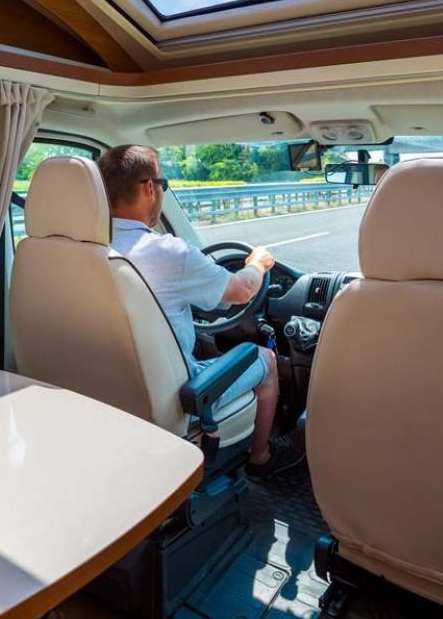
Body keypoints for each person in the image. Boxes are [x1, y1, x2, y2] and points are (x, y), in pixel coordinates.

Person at [97, 144, 304, 477]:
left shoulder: (83, 250)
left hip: (103, 388)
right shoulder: (169, 253)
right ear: (150, 188)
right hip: (171, 397)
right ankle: (261, 458)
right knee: (264, 360)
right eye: (161, 185)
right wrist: (257, 265)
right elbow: (240, 291)